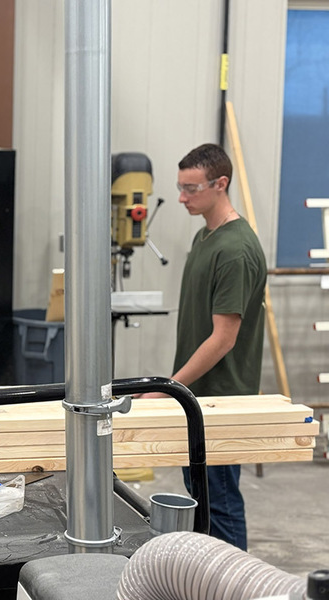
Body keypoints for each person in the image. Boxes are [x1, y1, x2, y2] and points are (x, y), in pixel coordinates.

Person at [140, 143, 267, 551]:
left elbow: (223, 338)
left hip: (221, 401)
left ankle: (235, 588)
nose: (181, 198)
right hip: (197, 398)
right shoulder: (205, 237)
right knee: (201, 500)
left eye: (191, 188)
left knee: (221, 505)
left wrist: (168, 385)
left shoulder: (235, 249)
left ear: (221, 183)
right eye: (180, 187)